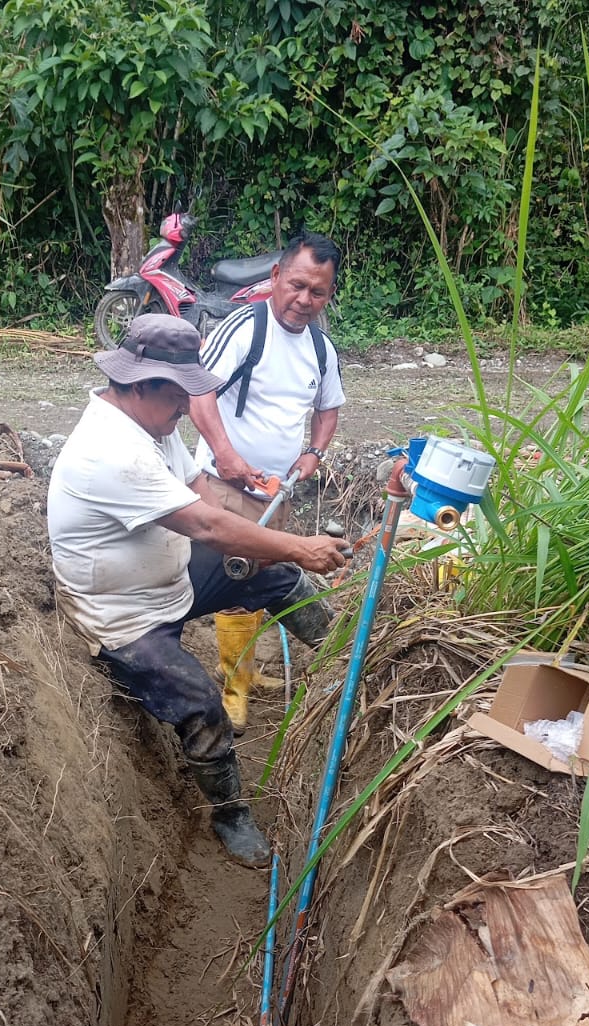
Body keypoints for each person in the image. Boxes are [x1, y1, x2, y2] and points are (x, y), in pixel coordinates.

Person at [47, 314, 350, 870]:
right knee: (202, 705)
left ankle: (352, 662)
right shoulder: (110, 450)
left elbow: (198, 491)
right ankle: (229, 814)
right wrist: (297, 546)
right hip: (124, 616)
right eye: (179, 396)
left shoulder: (151, 425)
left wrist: (255, 535)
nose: (188, 408)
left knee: (272, 575)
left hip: (170, 578)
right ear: (141, 385)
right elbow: (206, 526)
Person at [189, 231, 344, 734]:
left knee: (262, 578)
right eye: (296, 285)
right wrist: (226, 455)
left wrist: (314, 452)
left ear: (328, 295)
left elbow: (328, 408)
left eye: (317, 292)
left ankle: (246, 670)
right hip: (225, 485)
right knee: (236, 580)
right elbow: (198, 395)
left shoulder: (321, 348)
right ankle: (233, 687)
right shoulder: (244, 328)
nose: (304, 300)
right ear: (276, 277)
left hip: (278, 492)